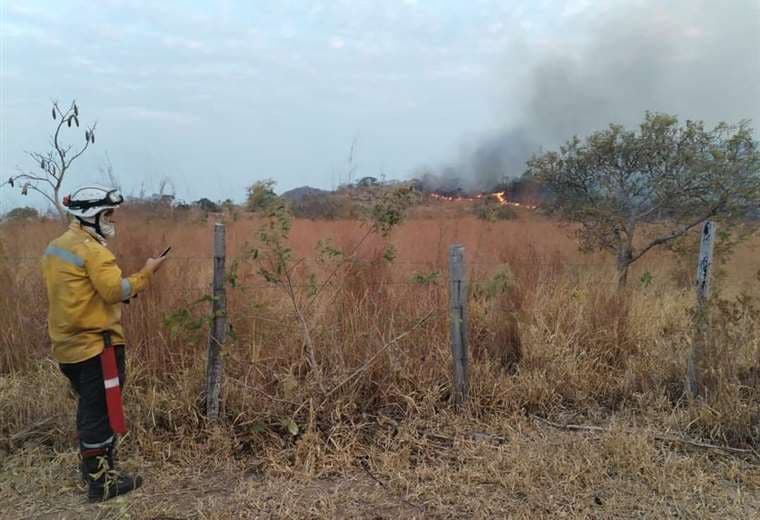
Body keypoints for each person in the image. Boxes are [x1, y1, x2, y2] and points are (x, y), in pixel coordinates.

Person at [40, 185, 167, 502]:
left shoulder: (56, 247)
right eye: (107, 214)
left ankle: (96, 469)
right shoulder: (93, 251)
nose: (112, 220)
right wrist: (147, 272)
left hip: (67, 348)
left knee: (90, 408)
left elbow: (79, 293)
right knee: (99, 413)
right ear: (90, 215)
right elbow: (115, 291)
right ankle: (102, 483)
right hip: (98, 346)